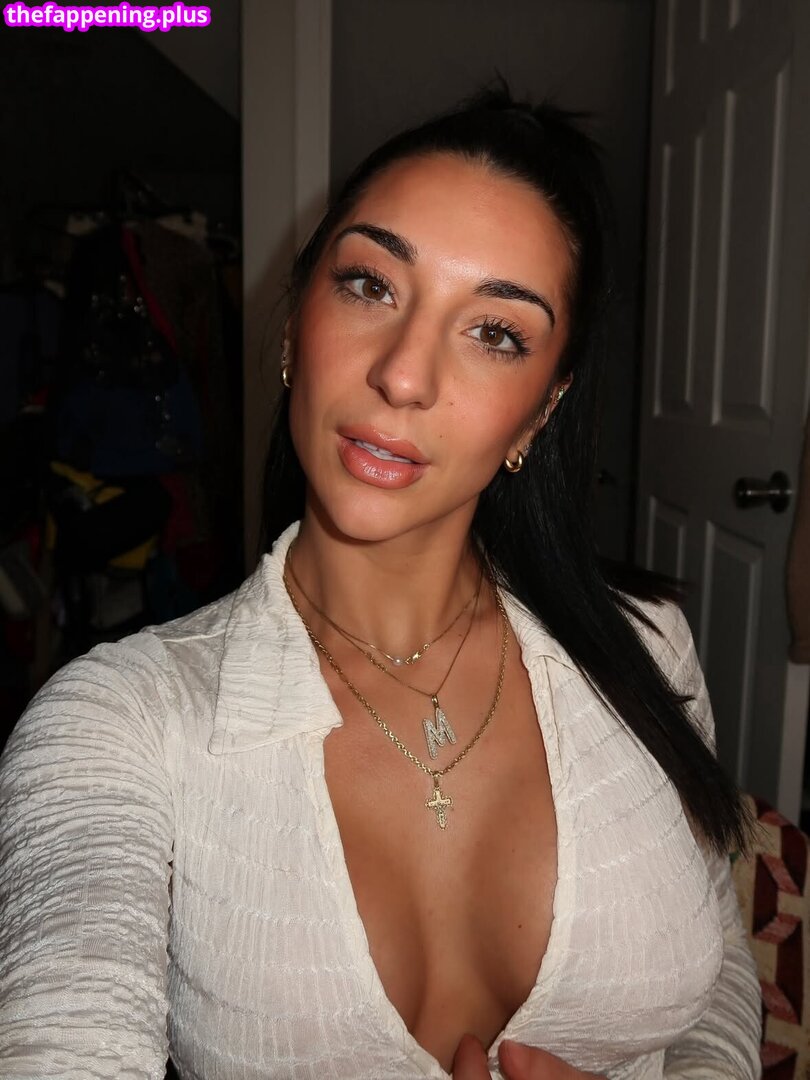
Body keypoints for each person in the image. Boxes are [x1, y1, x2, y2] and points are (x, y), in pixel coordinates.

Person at [0, 87, 761, 1079]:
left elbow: (716, 981)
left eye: (495, 332)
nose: (404, 375)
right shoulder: (118, 725)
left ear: (541, 411)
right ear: (293, 323)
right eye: (370, 285)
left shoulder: (647, 646)